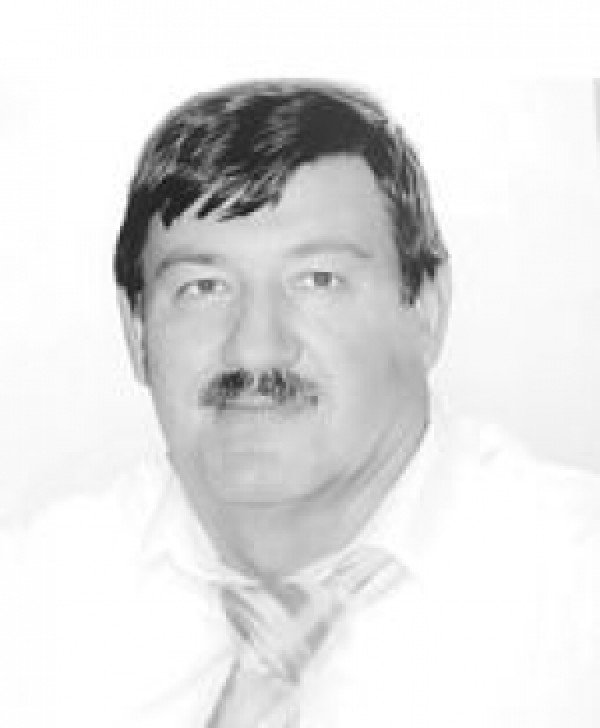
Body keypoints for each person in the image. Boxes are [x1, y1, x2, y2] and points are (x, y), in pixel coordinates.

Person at [1, 80, 599, 727]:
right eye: (203, 287)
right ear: (137, 329)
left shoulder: (577, 590)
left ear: (426, 306)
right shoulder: (32, 604)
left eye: (318, 280)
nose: (256, 348)